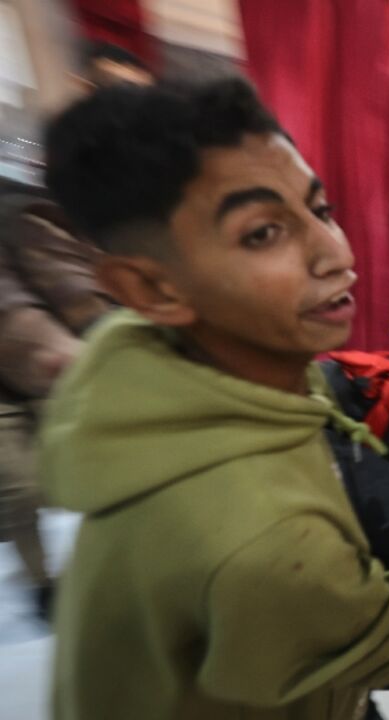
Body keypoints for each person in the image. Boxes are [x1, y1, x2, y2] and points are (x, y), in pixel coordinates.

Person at [39, 79, 389, 720]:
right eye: (263, 234)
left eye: (322, 209)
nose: (336, 254)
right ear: (151, 287)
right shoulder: (262, 542)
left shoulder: (148, 361)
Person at [0, 40, 154, 622]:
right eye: (114, 95)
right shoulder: (40, 188)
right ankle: (44, 583)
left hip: (96, 362)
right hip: (45, 364)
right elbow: (34, 306)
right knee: (20, 486)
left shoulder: (145, 186)